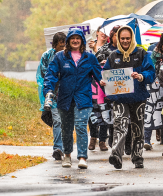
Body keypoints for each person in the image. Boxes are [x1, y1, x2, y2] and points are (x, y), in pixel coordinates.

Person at [44, 28, 102, 169]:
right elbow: (50, 75)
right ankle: (68, 155)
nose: (75, 41)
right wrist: (49, 91)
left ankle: (82, 157)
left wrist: (106, 84)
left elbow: (99, 75)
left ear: (82, 40)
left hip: (83, 98)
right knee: (66, 128)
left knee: (81, 126)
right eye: (72, 38)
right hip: (65, 98)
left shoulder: (89, 57)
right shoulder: (59, 57)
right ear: (68, 41)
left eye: (78, 38)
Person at [100, 25, 155, 169]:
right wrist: (103, 82)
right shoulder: (113, 56)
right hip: (120, 98)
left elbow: (151, 73)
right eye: (122, 38)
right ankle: (116, 155)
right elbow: (105, 74)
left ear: (132, 39)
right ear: (118, 39)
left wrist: (141, 76)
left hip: (138, 97)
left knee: (138, 128)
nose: (125, 41)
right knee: (120, 126)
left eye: (128, 38)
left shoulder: (142, 53)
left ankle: (137, 157)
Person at [36, 32, 66, 161]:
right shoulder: (47, 56)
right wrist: (46, 93)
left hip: (66, 94)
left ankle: (66, 147)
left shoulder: (71, 56)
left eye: (65, 45)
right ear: (54, 45)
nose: (63, 48)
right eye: (60, 45)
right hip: (53, 94)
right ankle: (57, 148)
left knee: (67, 122)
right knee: (57, 120)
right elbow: (43, 75)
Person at [87, 27, 111, 152]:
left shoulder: (108, 48)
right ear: (97, 32)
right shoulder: (86, 47)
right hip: (90, 84)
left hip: (103, 83)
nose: (104, 33)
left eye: (106, 32)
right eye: (102, 31)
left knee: (104, 111)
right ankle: (93, 137)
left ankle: (102, 140)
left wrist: (96, 50)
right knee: (92, 111)